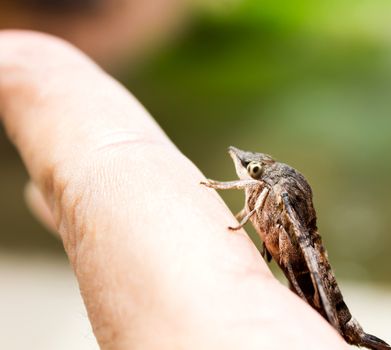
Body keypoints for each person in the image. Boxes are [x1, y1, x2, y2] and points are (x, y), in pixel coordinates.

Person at [0, 30, 348, 349]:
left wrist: (220, 191)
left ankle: (340, 326)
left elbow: (283, 227)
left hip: (307, 277)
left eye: (254, 171)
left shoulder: (274, 194)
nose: (247, 171)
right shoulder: (263, 190)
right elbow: (255, 201)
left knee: (309, 273)